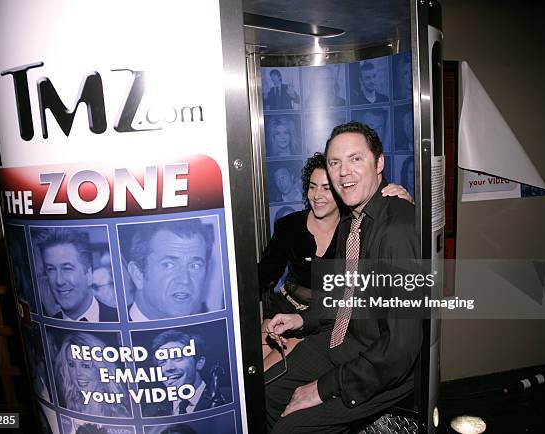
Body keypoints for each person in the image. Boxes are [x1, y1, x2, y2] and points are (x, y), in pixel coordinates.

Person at [265, 121, 423, 433]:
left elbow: (400, 349)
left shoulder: (397, 229)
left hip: (380, 362)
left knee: (291, 428)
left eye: (355, 159)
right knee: (267, 395)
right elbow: (340, 298)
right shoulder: (351, 221)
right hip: (341, 340)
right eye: (335, 162)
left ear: (379, 163)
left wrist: (323, 388)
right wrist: (303, 321)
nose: (343, 172)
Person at [260, 153, 412, 371]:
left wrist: (406, 204)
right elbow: (264, 275)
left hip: (324, 319)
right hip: (286, 307)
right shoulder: (289, 226)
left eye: (326, 188)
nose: (317, 196)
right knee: (251, 370)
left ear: (342, 191)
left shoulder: (357, 228)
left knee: (271, 375)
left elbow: (393, 232)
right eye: (312, 187)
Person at [126, 219, 216, 321]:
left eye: (195, 266)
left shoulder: (215, 332)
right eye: (169, 265)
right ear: (137, 275)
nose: (185, 280)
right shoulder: (110, 334)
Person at [141, 330, 231, 416]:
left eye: (177, 358)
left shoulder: (228, 397)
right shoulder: (151, 412)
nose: (168, 368)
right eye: (162, 362)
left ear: (199, 362)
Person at [36, 228, 118, 322]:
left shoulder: (117, 319)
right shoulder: (48, 328)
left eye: (67, 268)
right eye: (51, 269)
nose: (59, 281)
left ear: (88, 274)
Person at [53, 332, 131, 417]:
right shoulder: (69, 406)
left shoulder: (118, 415)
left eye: (85, 365)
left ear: (101, 367)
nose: (77, 373)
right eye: (72, 365)